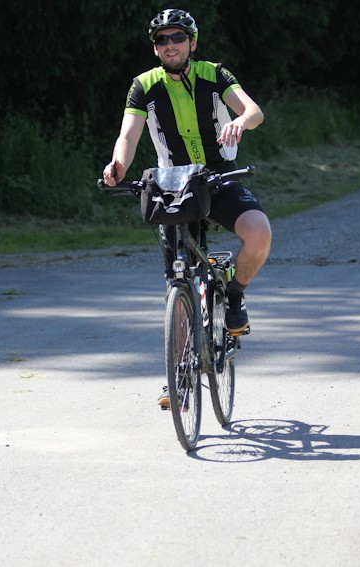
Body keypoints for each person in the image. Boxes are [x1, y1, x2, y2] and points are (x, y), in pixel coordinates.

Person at [102, 8, 272, 409]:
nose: (169, 45)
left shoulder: (215, 74)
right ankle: (177, 377)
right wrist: (117, 166)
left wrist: (241, 122)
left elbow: (254, 111)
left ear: (192, 43)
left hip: (219, 176)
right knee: (179, 281)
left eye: (177, 38)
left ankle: (233, 294)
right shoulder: (143, 85)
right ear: (156, 48)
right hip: (174, 185)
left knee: (259, 233)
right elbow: (128, 135)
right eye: (161, 40)